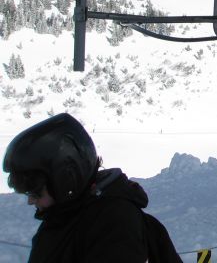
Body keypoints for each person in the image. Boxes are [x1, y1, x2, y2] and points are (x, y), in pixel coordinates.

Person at [2, 112, 181, 263]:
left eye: (35, 192)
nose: (30, 200)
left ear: (65, 180)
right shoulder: (63, 215)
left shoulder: (115, 223)